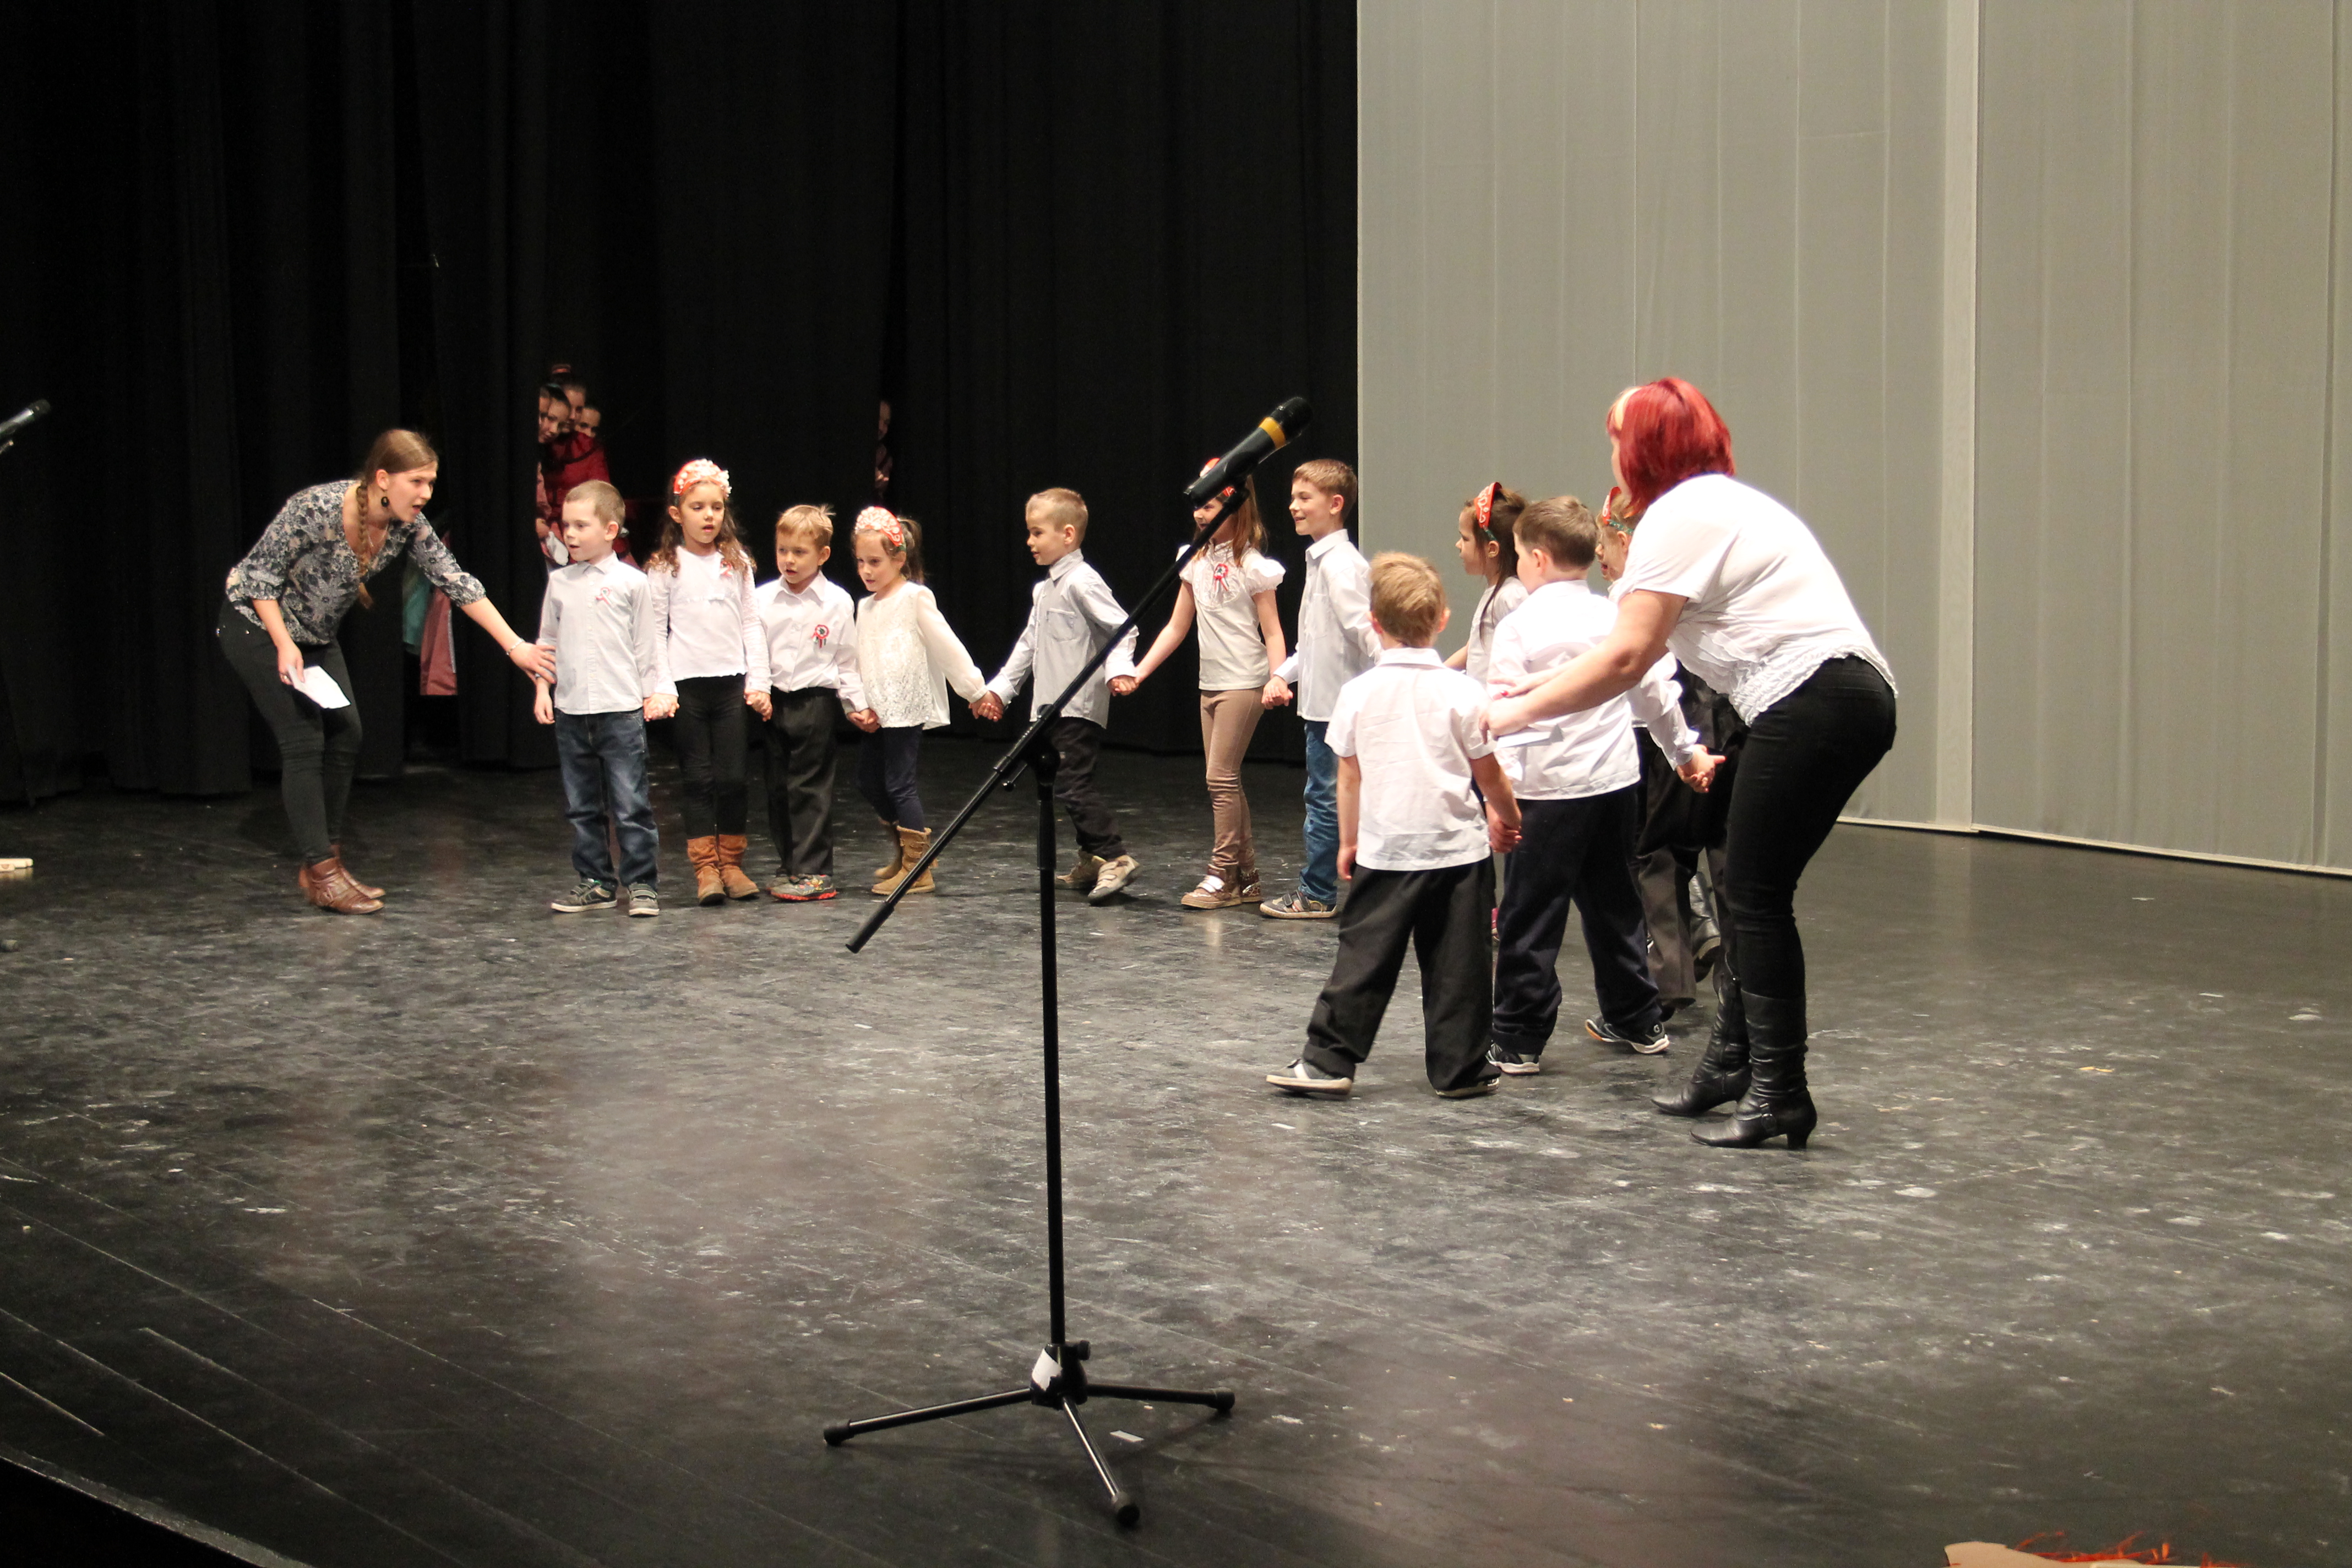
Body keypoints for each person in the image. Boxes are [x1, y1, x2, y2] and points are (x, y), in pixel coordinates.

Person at [1487, 379, 1897, 1150]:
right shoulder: (1718, 505)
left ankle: (1780, 1090)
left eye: (1618, 438)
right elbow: (1632, 659)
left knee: (1755, 897)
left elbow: (1628, 658)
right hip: (1831, 699)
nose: (1612, 452)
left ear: (1645, 447)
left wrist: (1511, 712)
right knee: (1748, 893)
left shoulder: (1679, 514)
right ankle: (1732, 1065)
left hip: (1814, 700)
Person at [220, 428, 553, 912]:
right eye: (416, 482)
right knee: (303, 740)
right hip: (255, 624)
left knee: (347, 734)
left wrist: (515, 646)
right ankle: (322, 872)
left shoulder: (408, 526)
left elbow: (457, 582)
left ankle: (327, 862)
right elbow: (257, 580)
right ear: (382, 479)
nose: (426, 494)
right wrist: (284, 643)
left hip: (313, 635)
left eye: (431, 483)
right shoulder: (316, 508)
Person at [1266, 554, 1520, 1099]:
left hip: (1386, 854)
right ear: (1443, 619)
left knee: (1363, 958)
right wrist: (1508, 814)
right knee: (1461, 966)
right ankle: (1461, 1069)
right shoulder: (1464, 692)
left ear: (1374, 622)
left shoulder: (1357, 694)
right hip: (1459, 855)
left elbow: (1349, 777)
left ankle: (1328, 1060)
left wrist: (1349, 840)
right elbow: (1489, 773)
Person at [1483, 496, 1714, 1075]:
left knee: (1530, 915)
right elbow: (1654, 693)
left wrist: (1499, 801)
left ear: (1537, 559)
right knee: (1617, 907)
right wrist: (1684, 752)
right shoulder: (1614, 618)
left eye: (1519, 555)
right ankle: (1639, 1018)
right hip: (1613, 788)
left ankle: (1518, 1038)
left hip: (1545, 794)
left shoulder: (1517, 628)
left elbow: (1503, 718)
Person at [1114, 472, 1288, 910]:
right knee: (1225, 780)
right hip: (1210, 682)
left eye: (1210, 506)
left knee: (1220, 778)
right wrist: (1140, 672)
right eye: (1198, 505)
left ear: (1234, 509)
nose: (1200, 513)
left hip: (1244, 681)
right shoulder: (1194, 560)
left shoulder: (1253, 566)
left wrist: (1279, 677)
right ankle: (1247, 877)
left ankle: (1221, 874)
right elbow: (1177, 627)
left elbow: (1272, 631)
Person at [974, 488, 1142, 902]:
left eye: (1037, 533)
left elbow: (1124, 628)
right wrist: (1000, 690)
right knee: (1062, 784)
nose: (1029, 541)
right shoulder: (1046, 589)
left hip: (1077, 706)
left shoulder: (1082, 581)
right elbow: (1029, 645)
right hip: (1049, 707)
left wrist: (1120, 670)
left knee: (1072, 782)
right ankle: (1092, 857)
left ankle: (1115, 856)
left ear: (1067, 535)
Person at [645, 458, 771, 906]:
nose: (709, 516)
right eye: (697, 507)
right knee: (698, 780)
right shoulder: (666, 566)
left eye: (716, 507)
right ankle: (706, 870)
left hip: (731, 686)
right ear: (677, 514)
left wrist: (759, 681)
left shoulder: (736, 562)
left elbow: (751, 623)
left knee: (733, 778)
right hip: (688, 691)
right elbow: (654, 630)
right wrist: (662, 686)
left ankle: (732, 864)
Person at [531, 480, 660, 917]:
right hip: (572, 711)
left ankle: (641, 884)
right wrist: (542, 689)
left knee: (631, 804)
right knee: (581, 806)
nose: (569, 533)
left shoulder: (633, 583)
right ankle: (596, 881)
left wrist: (654, 693)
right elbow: (547, 642)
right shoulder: (560, 583)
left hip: (620, 710)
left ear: (610, 530)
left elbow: (647, 646)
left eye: (580, 525)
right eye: (566, 525)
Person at [1261, 459, 1378, 920]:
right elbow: (1314, 643)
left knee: (1326, 800)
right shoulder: (1323, 562)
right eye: (1293, 497)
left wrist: (1393, 682)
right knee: (1330, 798)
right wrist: (1281, 674)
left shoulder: (1341, 567)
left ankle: (1317, 892)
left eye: (1305, 498)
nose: (1294, 506)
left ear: (1335, 504)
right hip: (1325, 705)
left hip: (1336, 708)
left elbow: (1366, 633)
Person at [851, 507, 989, 896]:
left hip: (905, 705)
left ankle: (918, 868)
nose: (867, 571)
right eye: (861, 562)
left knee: (899, 784)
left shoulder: (914, 597)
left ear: (899, 559)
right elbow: (857, 658)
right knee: (867, 780)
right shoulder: (865, 606)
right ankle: (909, 852)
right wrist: (856, 704)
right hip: (877, 709)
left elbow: (946, 645)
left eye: (875, 562)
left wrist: (975, 690)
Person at [754, 504, 871, 902]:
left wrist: (856, 704)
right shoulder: (762, 599)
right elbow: (755, 652)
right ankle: (790, 864)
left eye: (800, 552)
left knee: (810, 787)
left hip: (816, 703)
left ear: (823, 555)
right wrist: (758, 689)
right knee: (777, 787)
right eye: (783, 550)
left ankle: (815, 871)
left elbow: (846, 660)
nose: (789, 560)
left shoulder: (836, 602)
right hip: (773, 703)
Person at [1445, 482, 1531, 683]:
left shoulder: (1511, 595)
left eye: (1465, 539)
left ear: (1492, 549)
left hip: (1498, 697)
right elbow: (1473, 648)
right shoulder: (1497, 592)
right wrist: (1437, 672)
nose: (1458, 545)